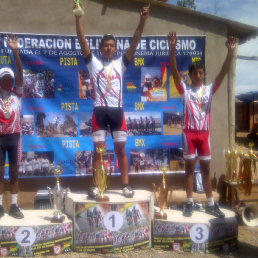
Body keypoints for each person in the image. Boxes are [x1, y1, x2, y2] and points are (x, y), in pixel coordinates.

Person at [73, 1, 150, 198]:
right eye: (105, 45)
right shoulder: (94, 64)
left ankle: (125, 185)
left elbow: (135, 40)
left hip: (117, 111)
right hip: (100, 110)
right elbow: (82, 40)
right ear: (101, 48)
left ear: (115, 49)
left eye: (112, 46)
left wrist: (142, 21)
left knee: (121, 150)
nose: (108, 48)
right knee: (98, 151)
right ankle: (96, 185)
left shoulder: (120, 64)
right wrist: (78, 15)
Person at [168, 32, 236, 218]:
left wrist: (230, 52)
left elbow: (223, 72)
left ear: (204, 74)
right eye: (195, 73)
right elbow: (174, 71)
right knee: (189, 168)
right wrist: (171, 50)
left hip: (204, 135)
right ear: (189, 75)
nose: (198, 75)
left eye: (201, 73)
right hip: (189, 133)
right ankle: (189, 202)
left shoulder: (209, 90)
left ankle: (211, 203)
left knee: (205, 169)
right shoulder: (185, 90)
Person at [0, 34, 24, 219]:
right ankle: (1, 206)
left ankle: (14, 205)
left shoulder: (17, 93)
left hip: (14, 138)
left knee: (14, 173)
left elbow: (20, 72)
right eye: (4, 78)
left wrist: (15, 51)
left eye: (9, 78)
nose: (7, 81)